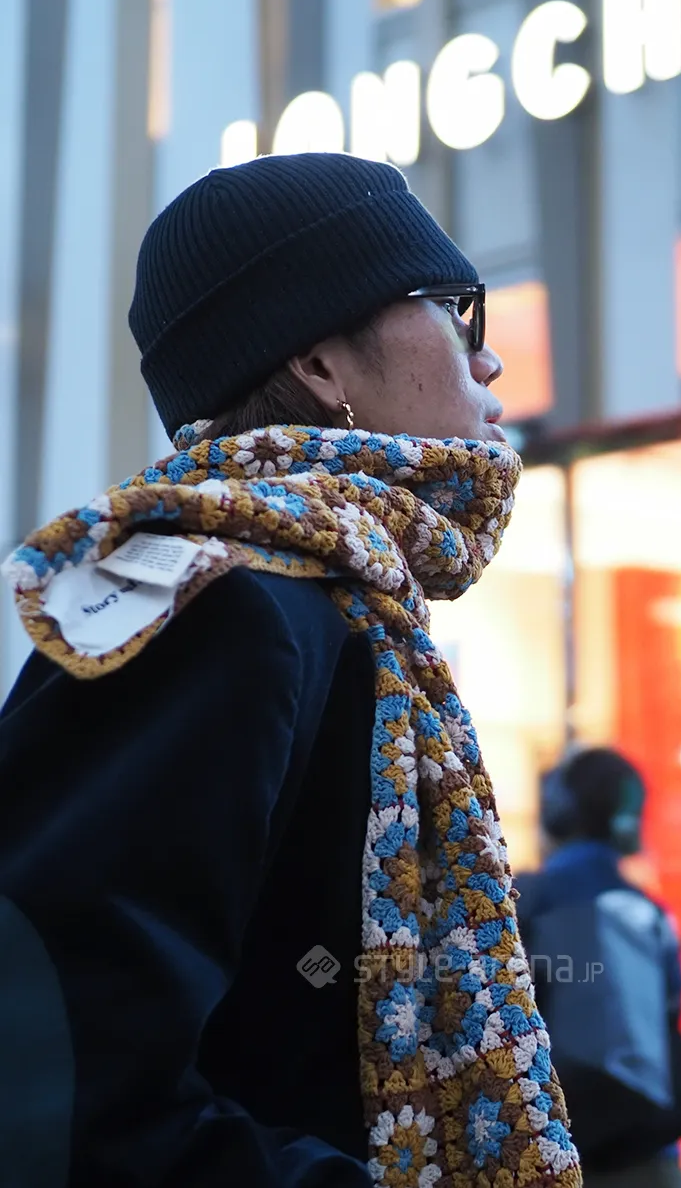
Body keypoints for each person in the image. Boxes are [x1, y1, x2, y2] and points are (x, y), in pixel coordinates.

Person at [0, 154, 581, 1188]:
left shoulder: (327, 602)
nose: (486, 359)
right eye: (456, 309)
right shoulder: (225, 606)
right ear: (319, 363)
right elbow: (71, 1086)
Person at [516, 748, 681, 1188]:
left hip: (554, 1147)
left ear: (557, 813)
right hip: (647, 1149)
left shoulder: (523, 902)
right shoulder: (647, 912)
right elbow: (670, 1009)